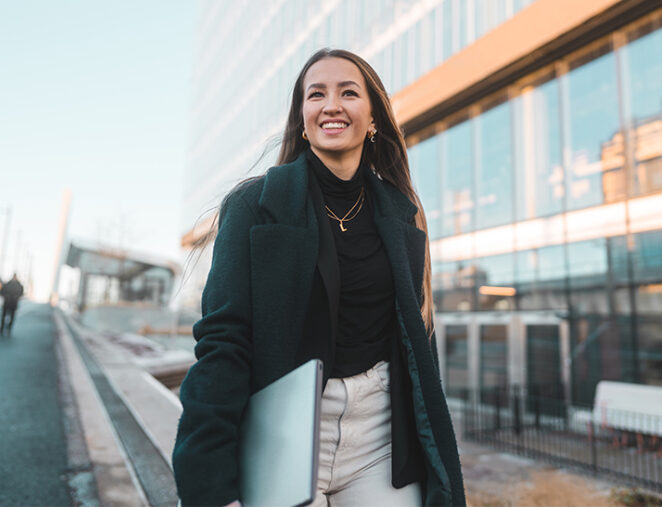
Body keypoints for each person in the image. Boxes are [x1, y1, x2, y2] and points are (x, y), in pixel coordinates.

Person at [172, 48, 465, 507]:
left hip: (379, 442)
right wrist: (207, 482)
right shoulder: (253, 208)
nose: (331, 104)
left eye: (348, 92)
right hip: (283, 437)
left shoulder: (402, 218)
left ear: (372, 118)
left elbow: (417, 347)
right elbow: (222, 344)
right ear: (303, 118)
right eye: (316, 94)